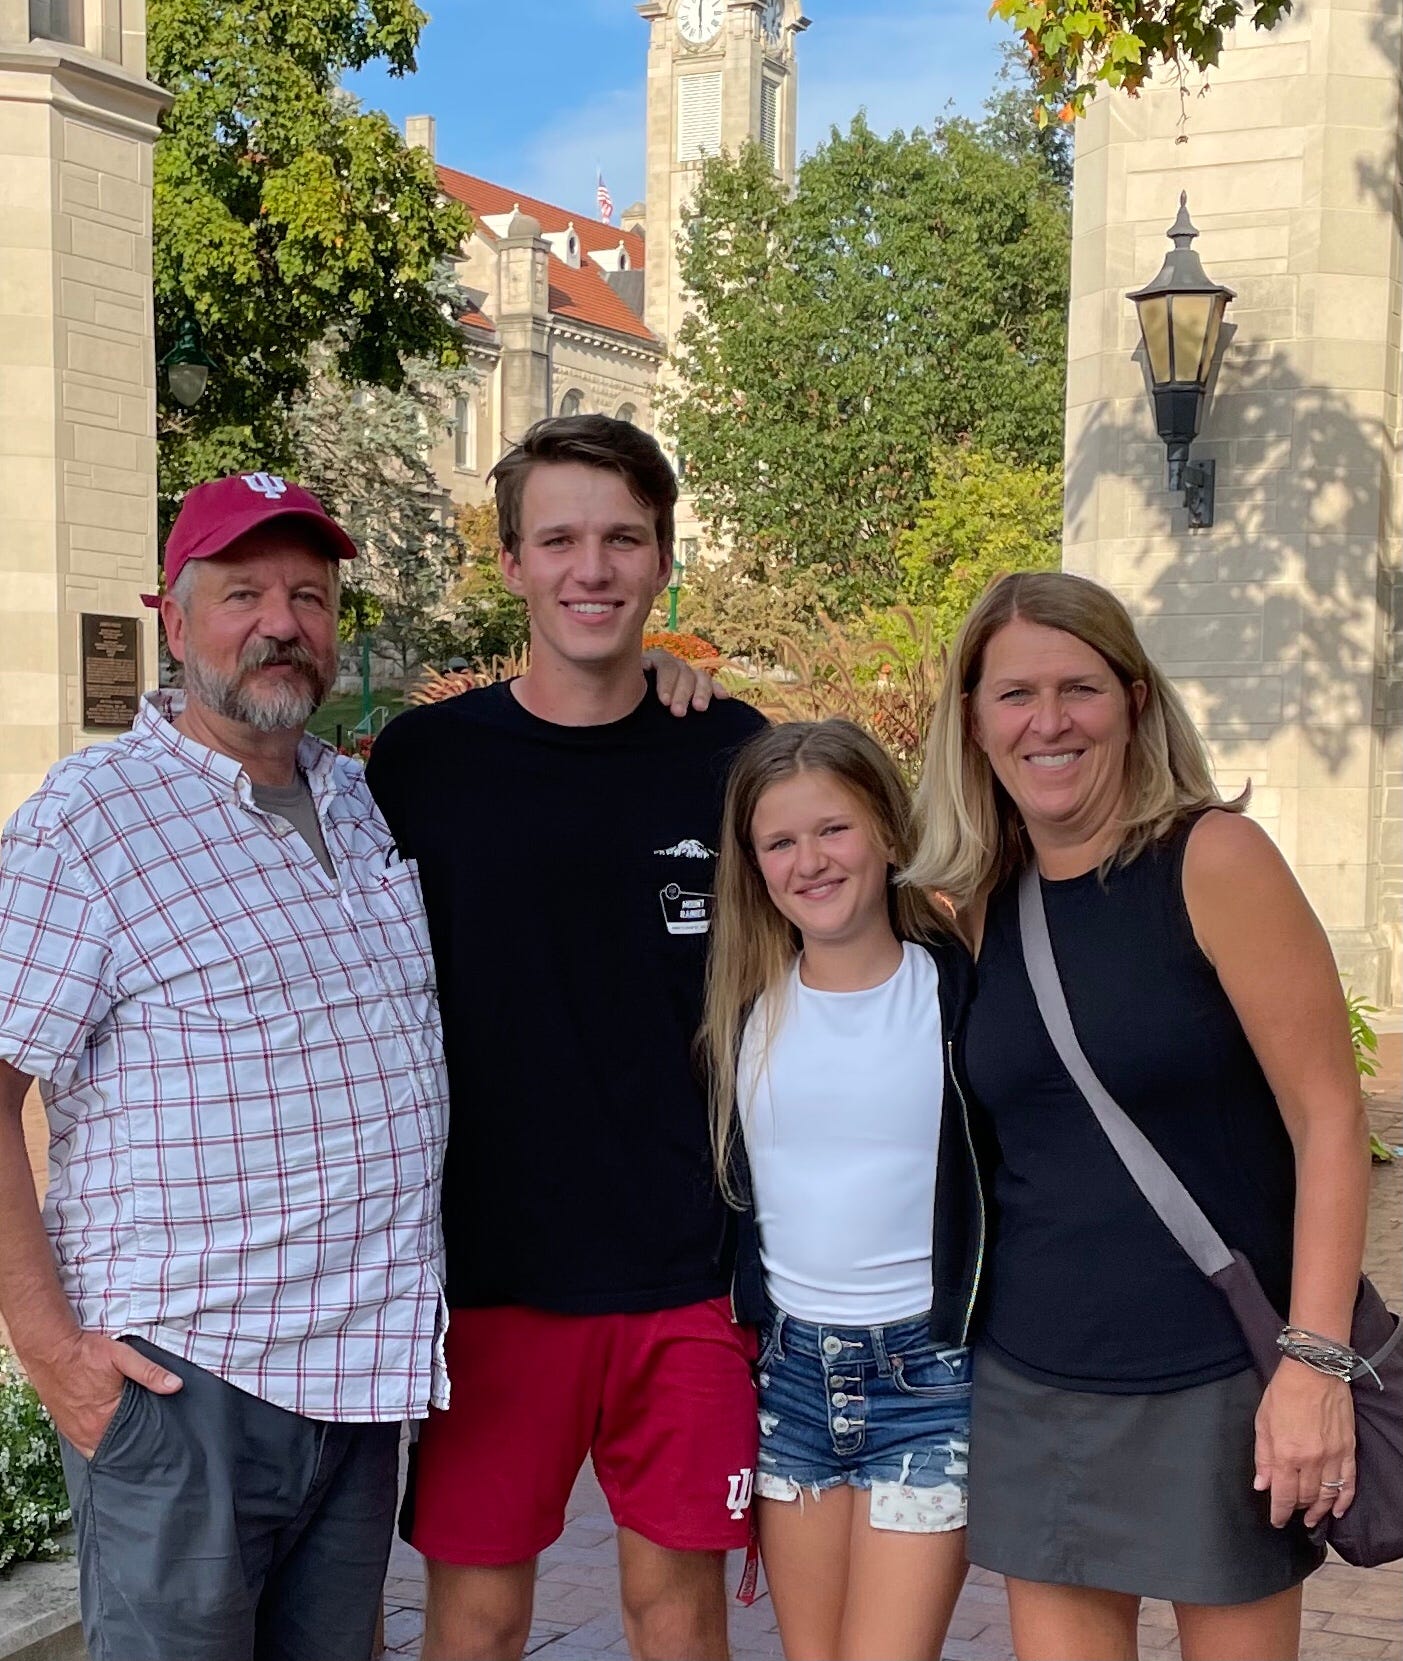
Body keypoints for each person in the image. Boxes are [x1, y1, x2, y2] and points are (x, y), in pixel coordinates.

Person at [0, 473, 448, 1661]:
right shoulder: (89, 821)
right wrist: (53, 1356)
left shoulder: (356, 803)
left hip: (354, 1388)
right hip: (180, 1389)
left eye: (308, 593)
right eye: (242, 590)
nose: (280, 620)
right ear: (174, 617)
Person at [906, 571, 1369, 1661]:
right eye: (1013, 693)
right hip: (1035, 1375)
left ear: (1133, 701)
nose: (1047, 720)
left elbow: (1327, 1119)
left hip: (1219, 1378)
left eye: (1078, 687)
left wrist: (1312, 1364)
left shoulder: (1212, 860)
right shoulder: (978, 901)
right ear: (972, 721)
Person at [365, 413, 768, 1661]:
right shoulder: (426, 761)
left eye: (621, 539)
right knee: (476, 1621)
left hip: (687, 1268)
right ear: (510, 564)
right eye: (558, 539)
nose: (590, 567)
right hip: (488, 1274)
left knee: (673, 1612)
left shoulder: (732, 750)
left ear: (659, 562)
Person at [699, 719, 982, 1661]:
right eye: (779, 842)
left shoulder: (960, 995)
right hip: (791, 1383)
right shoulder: (742, 1003)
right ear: (754, 865)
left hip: (928, 1380)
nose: (809, 861)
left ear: (889, 834)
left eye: (834, 830)